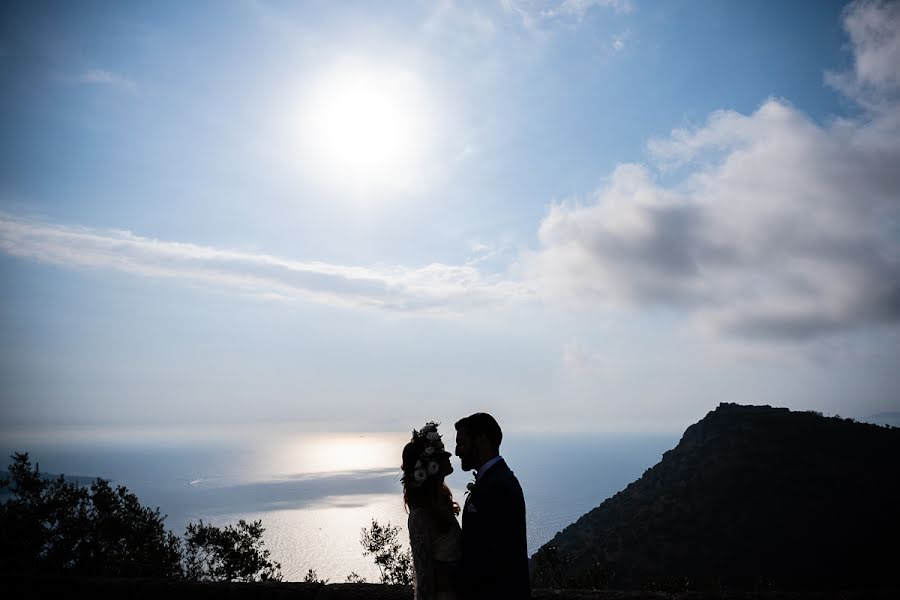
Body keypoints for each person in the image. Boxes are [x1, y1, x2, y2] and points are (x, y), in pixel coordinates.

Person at [455, 412, 530, 599]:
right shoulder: (494, 480)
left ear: (481, 440)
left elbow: (494, 558)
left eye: (462, 442)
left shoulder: (500, 485)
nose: (457, 451)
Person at [402, 422, 462, 600]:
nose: (450, 455)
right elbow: (423, 572)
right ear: (430, 465)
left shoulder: (440, 501)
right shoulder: (421, 514)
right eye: (442, 454)